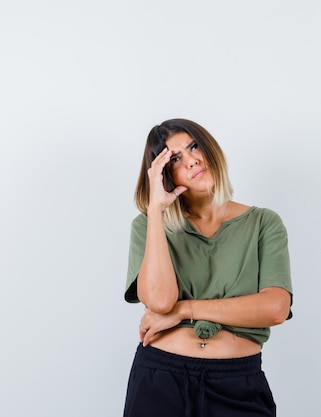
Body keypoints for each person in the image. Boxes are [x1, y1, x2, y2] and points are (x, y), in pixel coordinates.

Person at [123, 118, 293, 417]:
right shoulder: (148, 226)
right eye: (175, 159)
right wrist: (154, 211)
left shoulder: (263, 223)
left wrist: (185, 310)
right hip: (161, 379)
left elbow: (275, 308)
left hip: (237, 384)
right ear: (163, 175)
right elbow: (160, 301)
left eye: (194, 146)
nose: (192, 161)